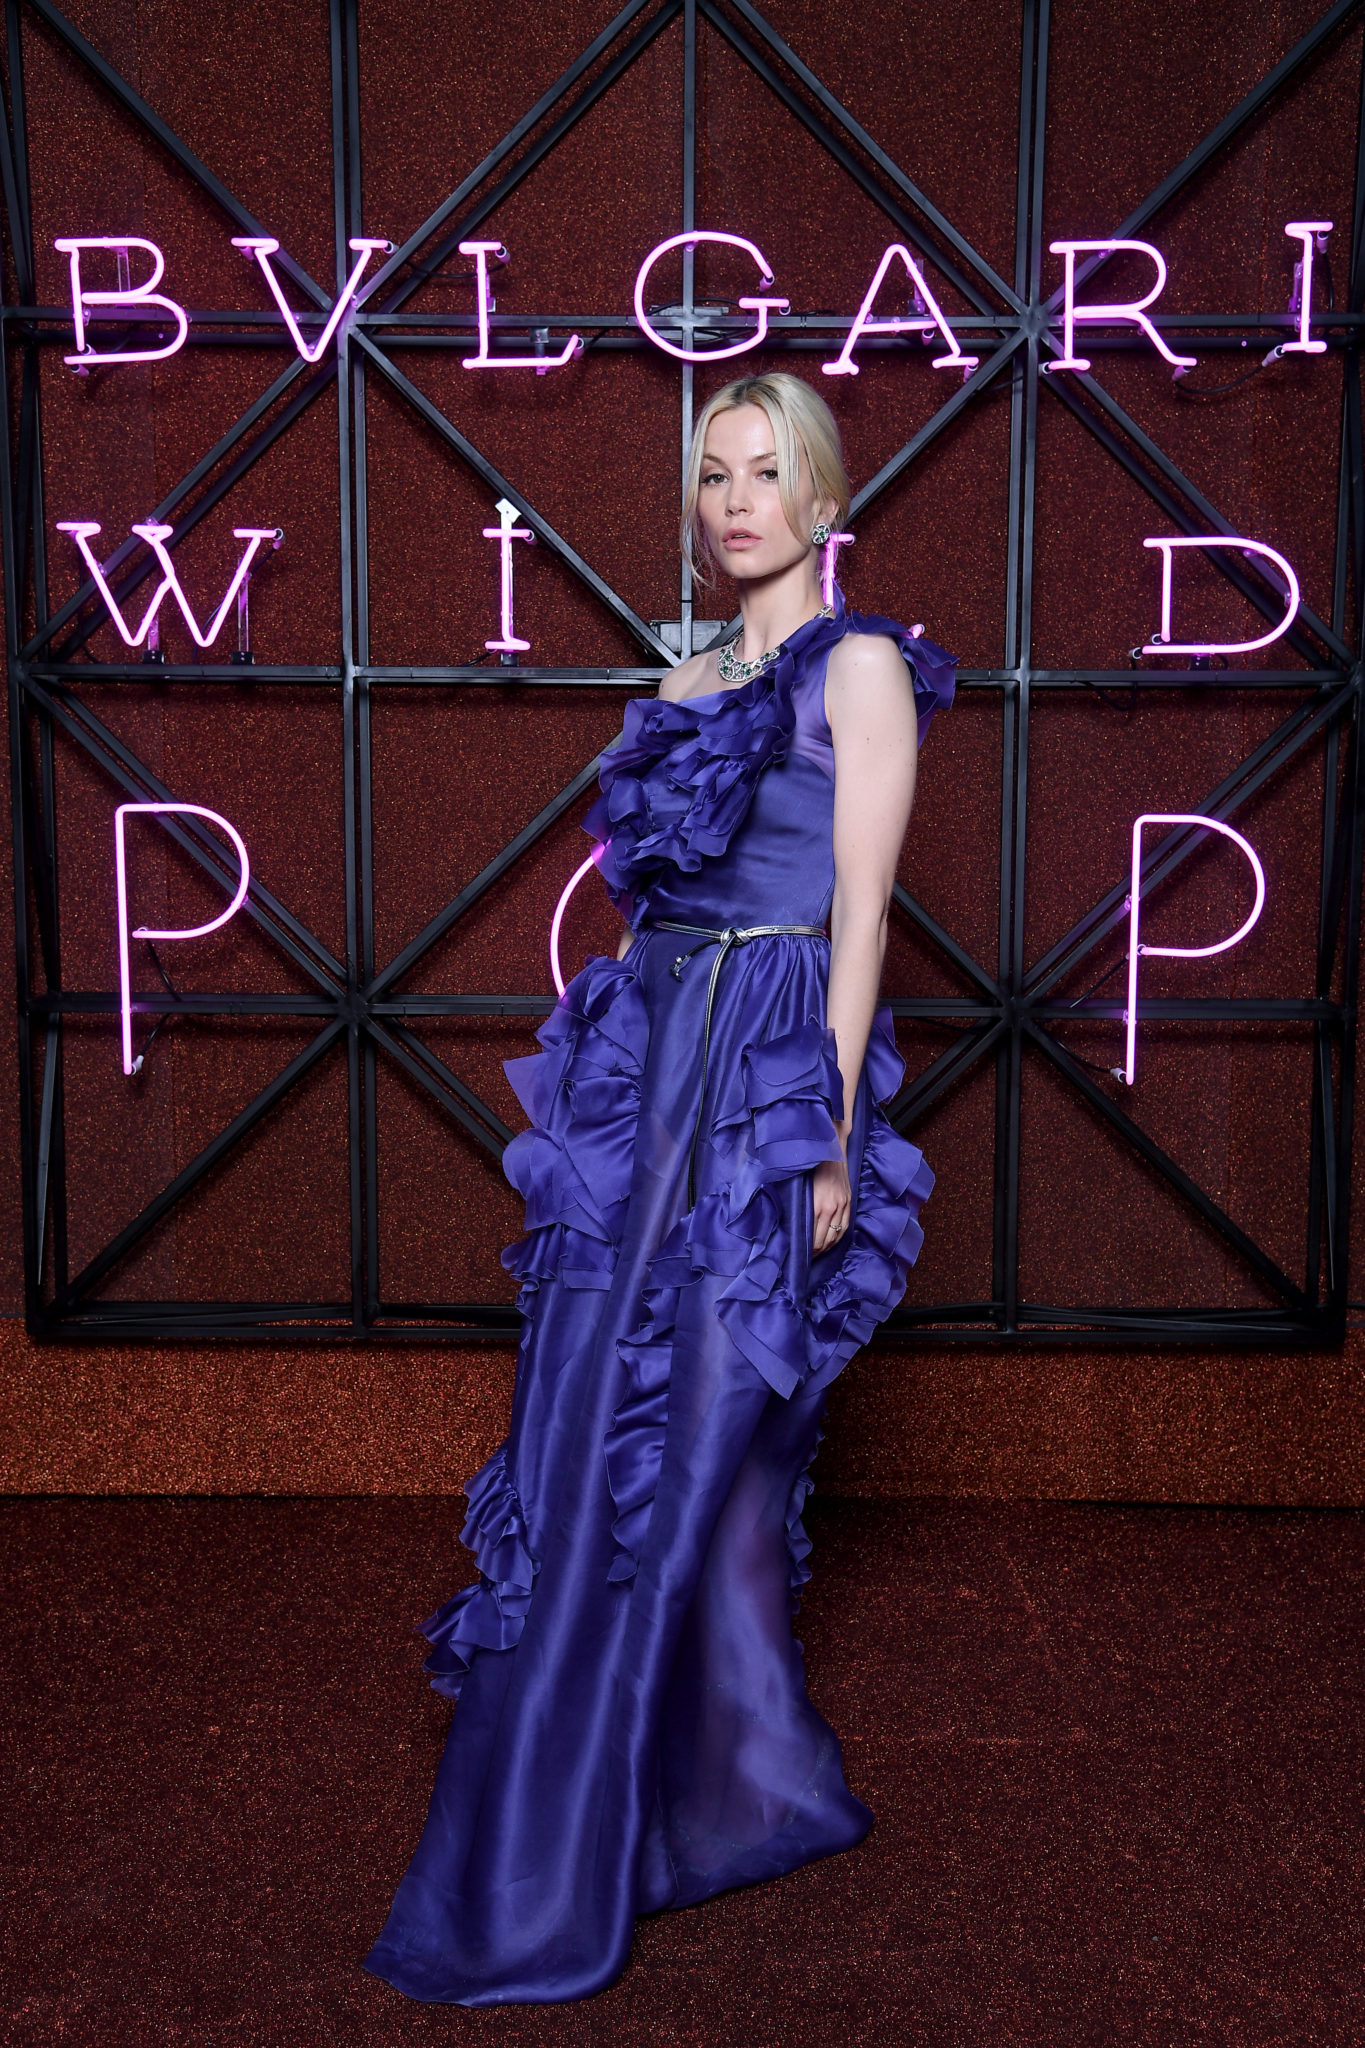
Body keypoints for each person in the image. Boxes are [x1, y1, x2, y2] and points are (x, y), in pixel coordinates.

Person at [364, 371, 954, 2006]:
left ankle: (612, 1825)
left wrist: (826, 1133)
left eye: (767, 473)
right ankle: (739, 1785)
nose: (736, 501)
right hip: (652, 1065)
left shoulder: (860, 670)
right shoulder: (685, 680)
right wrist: (614, 1099)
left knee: (700, 1435)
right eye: (713, 474)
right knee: (594, 1427)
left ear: (822, 499)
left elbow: (860, 917)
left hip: (763, 1076)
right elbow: (649, 913)